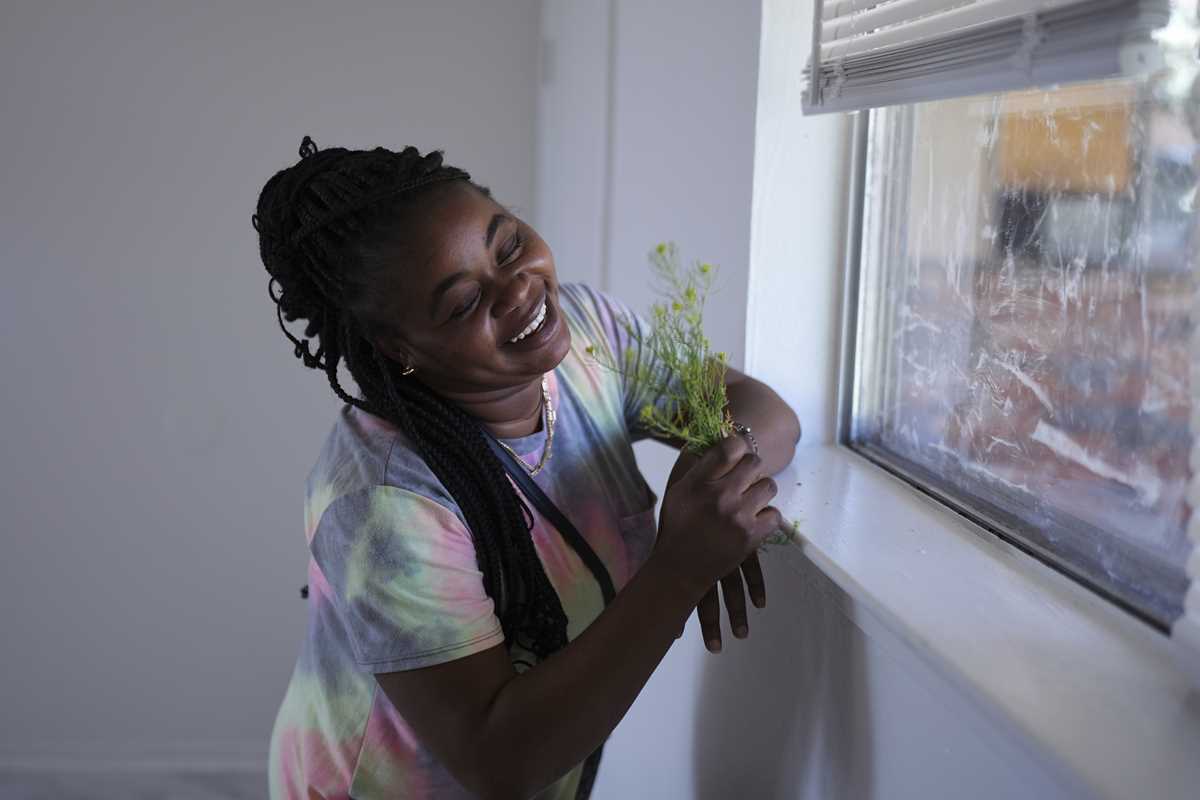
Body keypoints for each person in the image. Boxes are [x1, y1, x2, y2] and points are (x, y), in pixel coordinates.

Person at [253, 137, 801, 800]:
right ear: (400, 350)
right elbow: (498, 760)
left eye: (508, 245)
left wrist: (713, 476)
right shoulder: (385, 502)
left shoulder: (591, 335)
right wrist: (680, 567)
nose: (516, 288)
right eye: (463, 302)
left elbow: (756, 406)